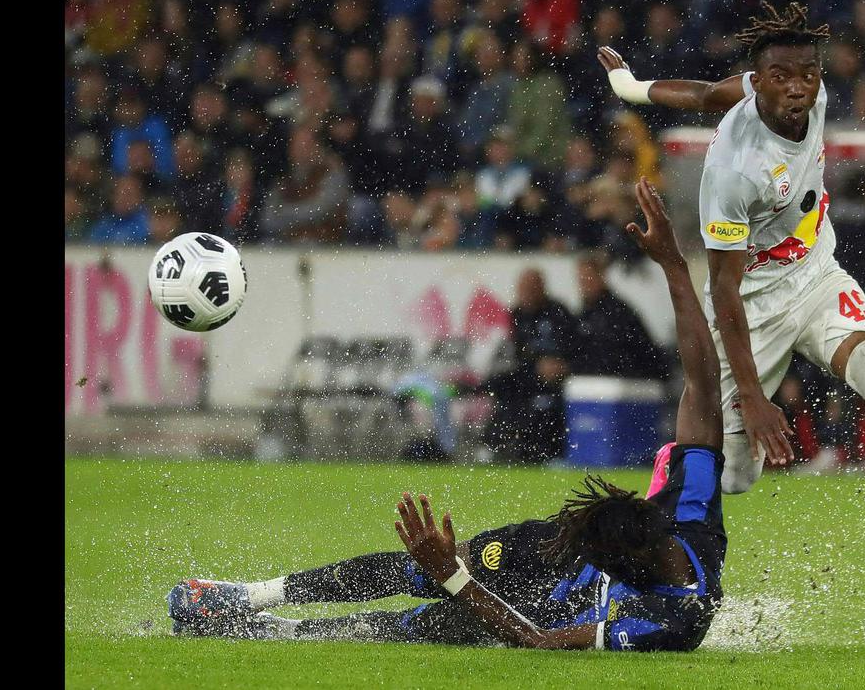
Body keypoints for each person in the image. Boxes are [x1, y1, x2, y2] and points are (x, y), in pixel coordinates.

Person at [168, 178, 728, 653]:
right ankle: (251, 594)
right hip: (538, 553)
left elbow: (537, 642)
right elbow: (702, 387)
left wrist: (453, 579)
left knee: (414, 624)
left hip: (537, 616)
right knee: (413, 564)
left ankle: (268, 631)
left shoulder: (673, 621)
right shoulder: (690, 512)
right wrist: (676, 267)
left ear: (625, 569)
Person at [597, 0, 865, 592]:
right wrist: (756, 400)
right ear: (760, 82)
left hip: (817, 277)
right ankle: (678, 458)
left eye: (807, 74)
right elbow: (724, 291)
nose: (797, 87)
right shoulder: (735, 173)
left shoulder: (814, 96)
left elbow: (707, 93)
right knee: (733, 477)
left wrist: (634, 87)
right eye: (781, 77)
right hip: (751, 308)